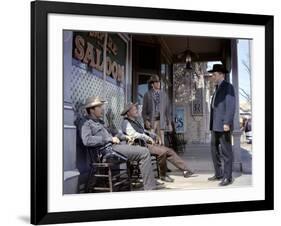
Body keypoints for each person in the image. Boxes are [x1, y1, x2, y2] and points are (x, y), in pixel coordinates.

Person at [80, 96, 165, 190]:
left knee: (140, 148)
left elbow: (114, 132)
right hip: (106, 152)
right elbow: (87, 140)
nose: (102, 109)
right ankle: (150, 188)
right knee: (144, 152)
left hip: (114, 148)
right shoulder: (86, 123)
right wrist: (109, 139)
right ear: (92, 110)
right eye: (99, 107)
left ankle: (149, 182)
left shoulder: (100, 122)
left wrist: (126, 137)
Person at [121, 102, 195, 182]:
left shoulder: (135, 121)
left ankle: (186, 170)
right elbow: (134, 135)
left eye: (136, 109)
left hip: (145, 143)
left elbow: (143, 131)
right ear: (128, 112)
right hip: (138, 146)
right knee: (162, 152)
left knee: (169, 150)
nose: (136, 110)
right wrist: (148, 138)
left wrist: (155, 135)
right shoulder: (126, 122)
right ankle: (163, 175)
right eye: (134, 109)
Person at [208, 64, 236, 186]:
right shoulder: (217, 88)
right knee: (214, 150)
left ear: (221, 74)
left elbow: (230, 106)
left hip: (223, 125)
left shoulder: (228, 87)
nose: (212, 76)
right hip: (215, 125)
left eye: (214, 74)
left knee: (226, 152)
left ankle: (227, 177)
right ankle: (218, 173)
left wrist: (227, 123)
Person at [142, 75, 172, 145]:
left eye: (159, 82)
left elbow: (167, 110)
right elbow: (144, 110)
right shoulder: (147, 94)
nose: (158, 83)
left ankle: (162, 155)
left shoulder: (164, 95)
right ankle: (153, 155)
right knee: (152, 141)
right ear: (152, 84)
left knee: (162, 141)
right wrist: (146, 121)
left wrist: (169, 123)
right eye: (156, 82)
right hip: (151, 121)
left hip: (161, 121)